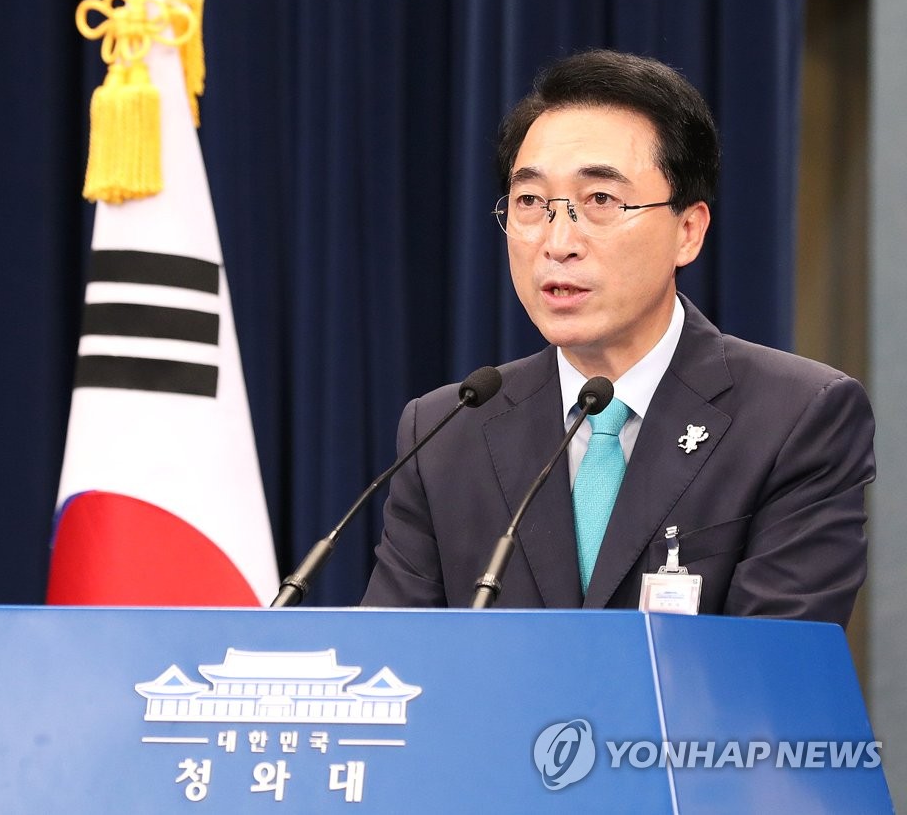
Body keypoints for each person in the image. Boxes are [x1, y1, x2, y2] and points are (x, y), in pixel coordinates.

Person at [361, 49, 875, 628]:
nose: (558, 243)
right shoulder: (445, 432)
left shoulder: (795, 418)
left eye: (599, 201)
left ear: (688, 231)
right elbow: (394, 658)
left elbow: (773, 665)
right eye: (530, 202)